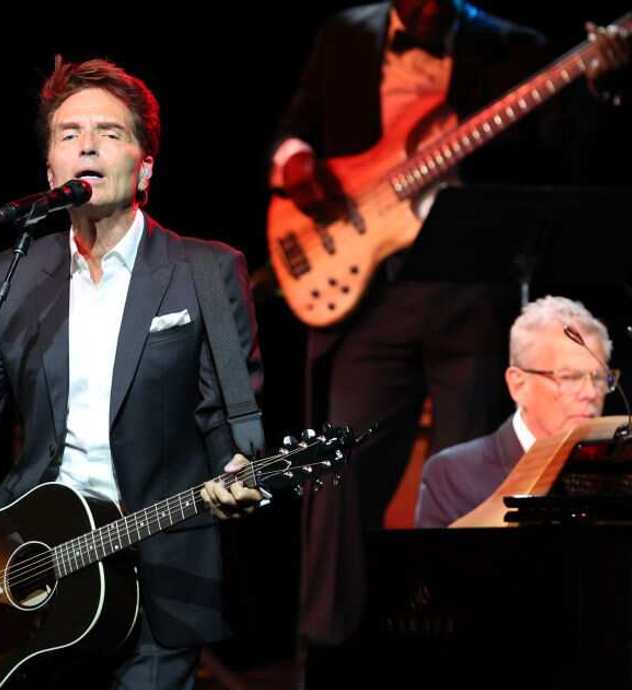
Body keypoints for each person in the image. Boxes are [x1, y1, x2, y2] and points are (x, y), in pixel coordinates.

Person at [0, 56, 263, 690]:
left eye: (109, 132)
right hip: (41, 584)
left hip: (162, 573)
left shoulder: (205, 270)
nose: (88, 145)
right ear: (50, 169)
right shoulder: (12, 275)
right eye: (69, 132)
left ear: (145, 165)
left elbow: (234, 421)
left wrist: (242, 469)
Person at [270, 0, 630, 651]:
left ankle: (465, 655)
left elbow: (568, 154)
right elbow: (294, 128)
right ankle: (324, 658)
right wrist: (295, 162)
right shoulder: (346, 32)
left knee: (474, 477)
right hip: (373, 294)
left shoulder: (510, 43)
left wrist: (600, 82)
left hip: (473, 292)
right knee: (339, 472)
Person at [415, 295, 616, 527]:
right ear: (518, 385)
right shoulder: (452, 474)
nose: (591, 393)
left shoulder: (615, 470)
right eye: (570, 377)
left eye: (600, 378)